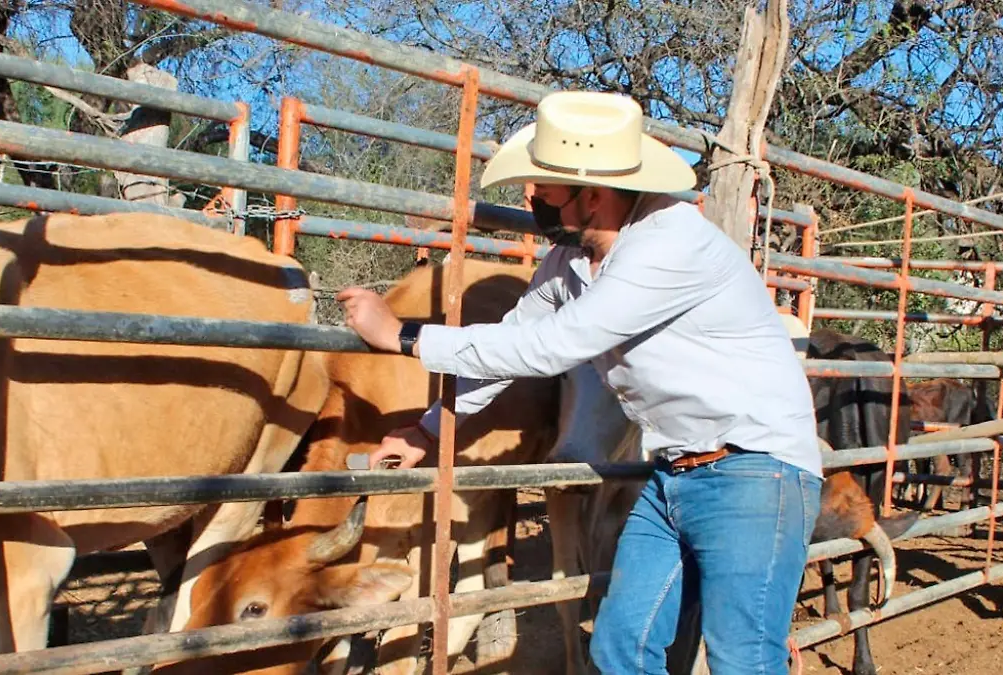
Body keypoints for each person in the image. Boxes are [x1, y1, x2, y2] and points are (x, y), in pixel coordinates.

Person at [335, 90, 823, 675]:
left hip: (754, 471)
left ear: (592, 195)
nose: (528, 197)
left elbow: (555, 345)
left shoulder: (666, 244)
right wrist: (428, 430)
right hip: (674, 474)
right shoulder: (570, 264)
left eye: (543, 186)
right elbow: (513, 345)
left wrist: (407, 336)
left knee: (743, 659)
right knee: (619, 646)